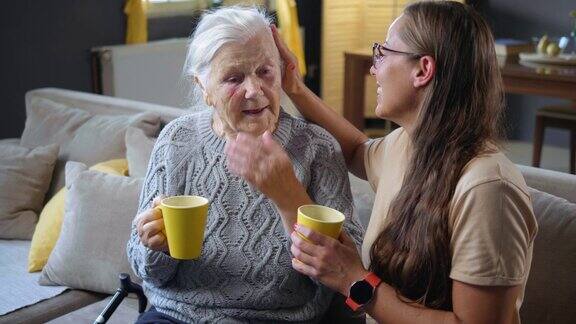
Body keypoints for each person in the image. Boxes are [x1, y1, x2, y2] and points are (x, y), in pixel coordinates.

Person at [226, 1, 537, 323]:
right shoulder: (410, 145)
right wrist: (295, 88)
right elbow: (358, 151)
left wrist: (353, 280)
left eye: (383, 53)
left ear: (423, 70)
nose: (374, 68)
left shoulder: (488, 190)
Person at [126, 6, 364, 324]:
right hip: (179, 316)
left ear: (282, 71)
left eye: (265, 71)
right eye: (234, 78)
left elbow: (347, 278)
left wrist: (289, 196)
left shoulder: (316, 148)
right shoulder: (176, 141)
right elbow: (148, 273)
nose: (254, 91)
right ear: (203, 88)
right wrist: (156, 246)